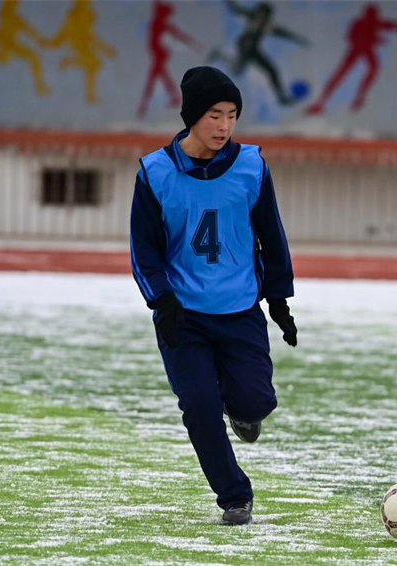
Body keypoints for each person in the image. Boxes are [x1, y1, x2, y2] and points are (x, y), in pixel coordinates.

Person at [130, 65, 297, 526]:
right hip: (183, 316)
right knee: (200, 405)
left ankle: (244, 411)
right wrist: (161, 300)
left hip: (241, 311)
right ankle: (234, 495)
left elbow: (272, 235)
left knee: (255, 403)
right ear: (191, 117)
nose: (224, 126)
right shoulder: (155, 173)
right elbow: (143, 249)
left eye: (232, 115)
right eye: (214, 115)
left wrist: (278, 300)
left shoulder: (251, 166)